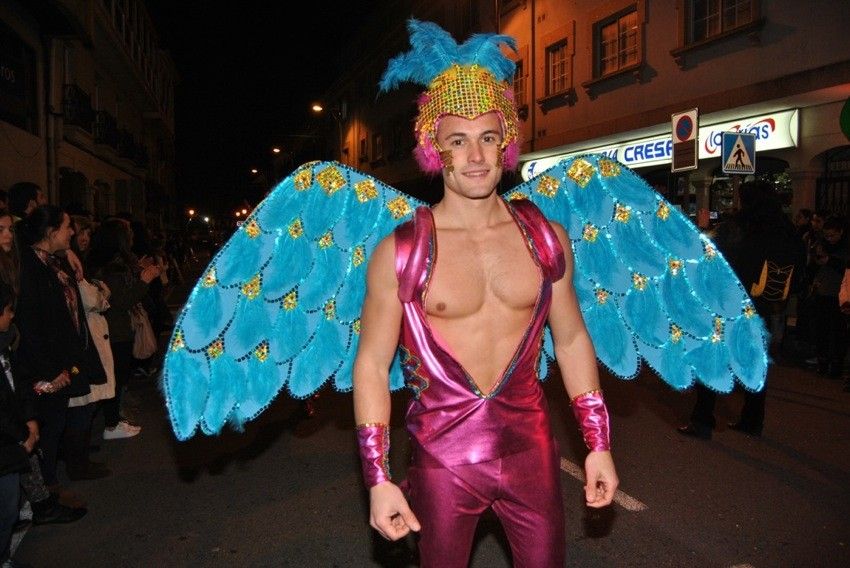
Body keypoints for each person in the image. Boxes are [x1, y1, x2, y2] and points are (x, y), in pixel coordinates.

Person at [352, 20, 617, 567]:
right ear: (434, 150)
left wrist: (598, 445)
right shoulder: (401, 252)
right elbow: (373, 365)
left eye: (488, 137)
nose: (475, 155)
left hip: (533, 457)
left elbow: (569, 340)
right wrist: (377, 477)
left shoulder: (546, 236)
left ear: (507, 143)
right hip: (441, 463)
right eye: (458, 140)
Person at [678, 180, 806, 439]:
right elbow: (800, 268)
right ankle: (752, 420)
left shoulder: (738, 228)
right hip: (765, 306)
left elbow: (712, 260)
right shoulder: (787, 230)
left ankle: (703, 420)